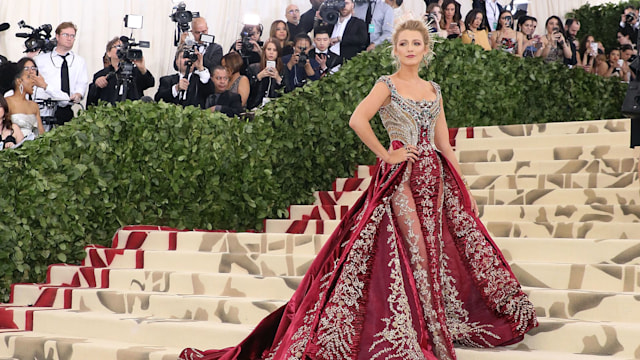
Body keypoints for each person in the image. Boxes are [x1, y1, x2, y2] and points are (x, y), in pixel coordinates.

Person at [178, 19, 538, 360]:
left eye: (416, 43)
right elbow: (357, 119)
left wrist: (461, 185)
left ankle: (429, 327)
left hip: (435, 178)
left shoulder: (433, 89)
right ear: (394, 50)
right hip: (401, 179)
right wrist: (388, 154)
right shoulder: (387, 84)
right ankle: (424, 336)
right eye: (403, 44)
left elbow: (444, 143)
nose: (410, 49)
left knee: (433, 250)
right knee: (416, 253)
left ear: (426, 49)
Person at [33, 22, 88, 126]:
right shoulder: (41, 59)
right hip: (45, 109)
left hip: (67, 108)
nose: (69, 38)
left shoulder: (79, 61)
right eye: (65, 35)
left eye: (72, 36)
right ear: (57, 36)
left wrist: (78, 94)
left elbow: (82, 83)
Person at [87, 36, 155, 106]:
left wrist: (142, 68)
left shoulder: (135, 72)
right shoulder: (101, 74)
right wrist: (97, 85)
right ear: (108, 52)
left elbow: (150, 83)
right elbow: (92, 101)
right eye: (118, 46)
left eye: (124, 47)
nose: (122, 49)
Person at [0, 59, 45, 139]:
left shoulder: (34, 105)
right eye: (28, 77)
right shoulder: (7, 102)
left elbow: (41, 133)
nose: (33, 81)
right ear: (19, 81)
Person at [247, 38, 285, 109]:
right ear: (264, 51)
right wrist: (258, 77)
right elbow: (248, 90)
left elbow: (288, 91)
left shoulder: (283, 69)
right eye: (269, 49)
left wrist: (278, 79)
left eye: (274, 50)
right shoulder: (253, 68)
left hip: (275, 108)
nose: (271, 52)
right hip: (255, 106)